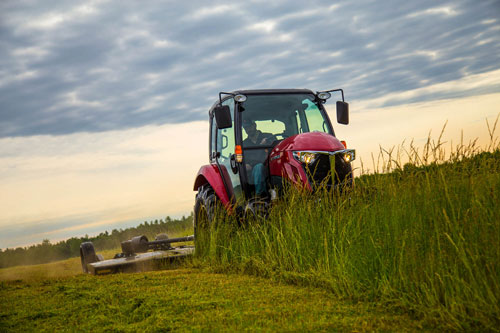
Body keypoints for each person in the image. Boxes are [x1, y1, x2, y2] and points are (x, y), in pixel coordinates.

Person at [242, 119, 276, 197]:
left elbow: (276, 151)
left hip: (270, 168)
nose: (248, 130)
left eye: (249, 127)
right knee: (258, 167)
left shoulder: (268, 137)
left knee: (259, 166)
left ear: (254, 125)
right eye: (245, 128)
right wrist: (245, 164)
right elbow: (243, 162)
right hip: (253, 173)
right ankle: (260, 196)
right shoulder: (244, 144)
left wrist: (262, 145)